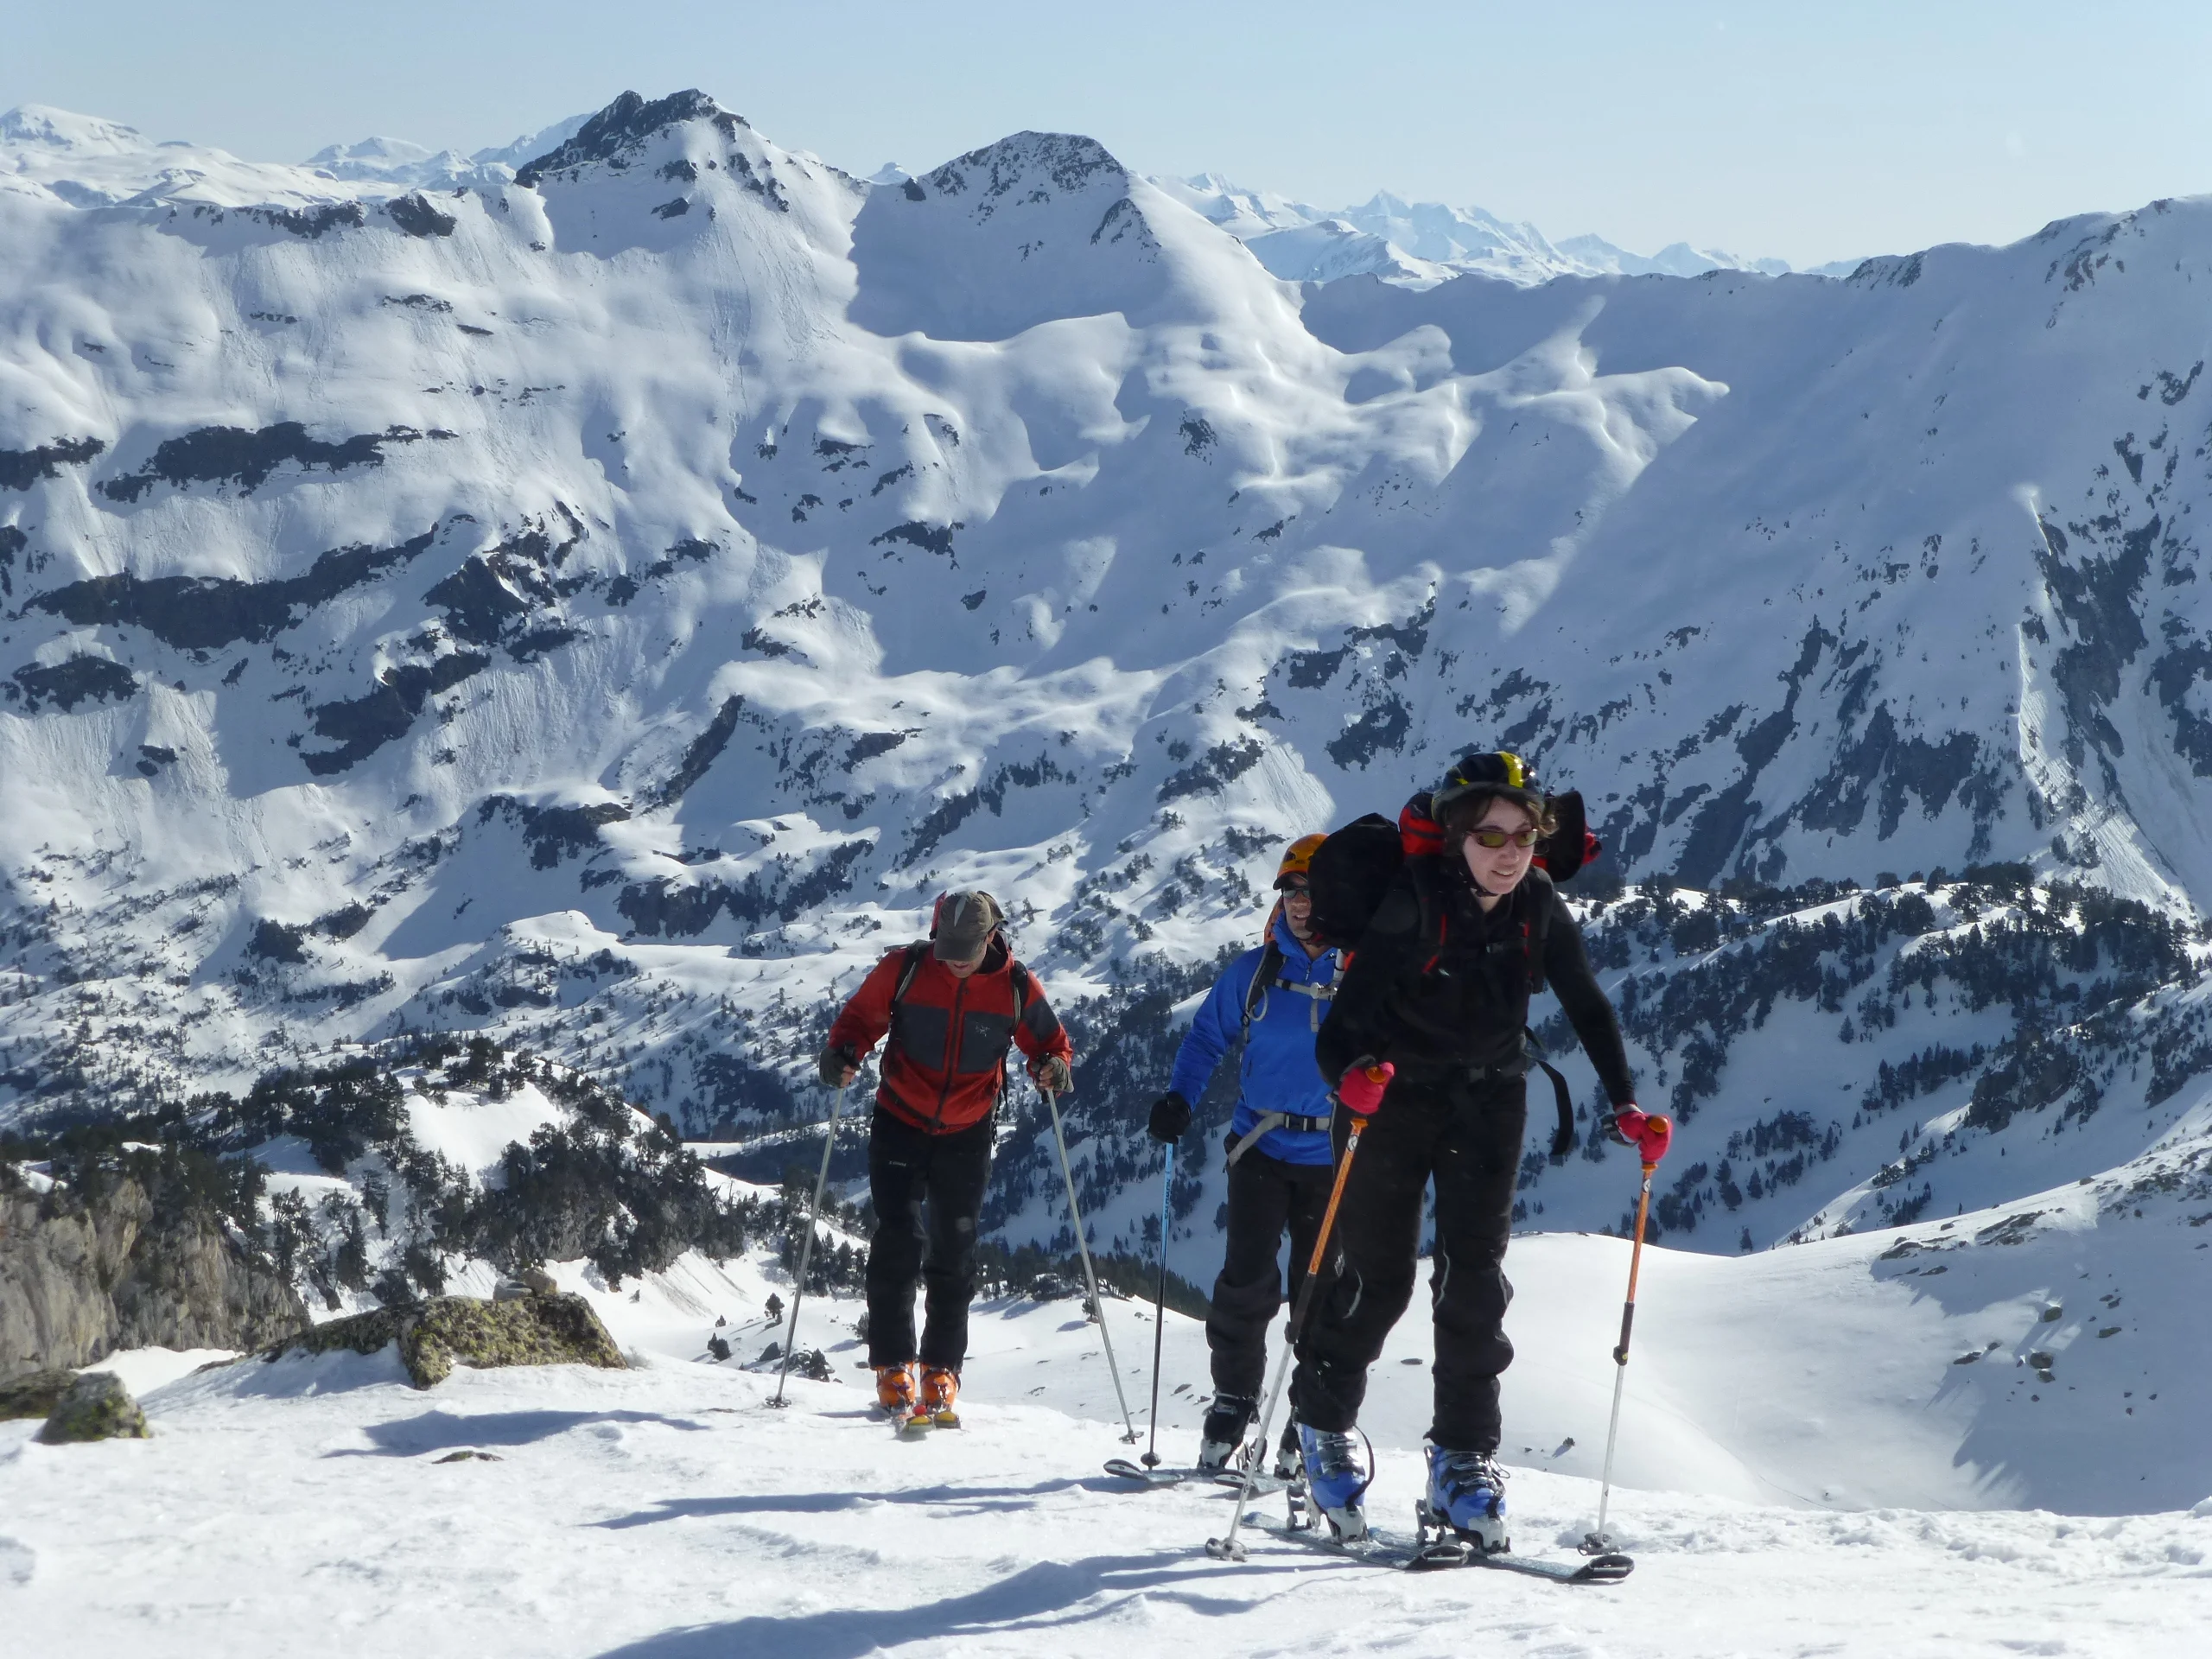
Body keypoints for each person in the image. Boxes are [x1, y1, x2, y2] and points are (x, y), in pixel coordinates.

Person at [1291, 752, 1673, 1547]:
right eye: (1490, 835)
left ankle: (1463, 1459)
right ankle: (1321, 1427)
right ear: (1457, 837)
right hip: (1389, 1102)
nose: (1509, 851)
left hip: (1491, 1100)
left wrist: (1627, 1103)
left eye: (1524, 836)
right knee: (1382, 1278)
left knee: (1475, 1284)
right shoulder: (1412, 904)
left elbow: (1587, 1003)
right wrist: (1350, 1081)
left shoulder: (1535, 903)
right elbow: (1341, 1032)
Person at [819, 890, 1073, 1423]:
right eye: (947, 945)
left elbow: (1049, 1042)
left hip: (968, 1129)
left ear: (990, 937)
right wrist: (842, 1053)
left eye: (968, 947)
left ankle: (941, 1368)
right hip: (899, 1117)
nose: (956, 958)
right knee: (897, 1237)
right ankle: (893, 1363)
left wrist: (1052, 1067)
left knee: (954, 1248)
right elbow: (860, 1020)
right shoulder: (905, 969)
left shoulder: (1016, 987)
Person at [1149, 835, 1341, 1472]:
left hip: (1334, 1155)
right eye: (1290, 891)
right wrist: (1180, 1097)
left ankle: (1310, 1418)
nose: (1300, 905)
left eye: (1312, 893)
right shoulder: (1255, 971)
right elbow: (1207, 1038)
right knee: (1245, 1284)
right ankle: (1233, 1402)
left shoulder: (1361, 972)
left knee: (1320, 1295)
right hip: (1260, 1147)